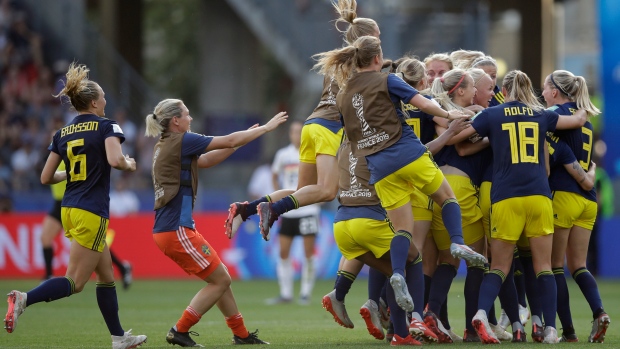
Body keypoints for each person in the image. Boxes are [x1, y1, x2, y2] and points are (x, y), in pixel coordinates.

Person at [4, 62, 147, 349]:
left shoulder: (62, 133)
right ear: (94, 102)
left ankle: (119, 337)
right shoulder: (107, 126)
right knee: (76, 282)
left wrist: (71, 173)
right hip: (91, 210)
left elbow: (46, 177)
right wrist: (129, 163)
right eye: (103, 97)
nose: (106, 101)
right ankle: (24, 298)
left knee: (106, 274)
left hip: (68, 208)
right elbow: (115, 160)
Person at [145, 98, 287, 347]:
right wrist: (263, 130)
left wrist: (240, 141)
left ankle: (241, 335)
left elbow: (207, 161)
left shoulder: (166, 144)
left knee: (219, 279)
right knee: (221, 280)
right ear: (175, 121)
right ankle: (180, 329)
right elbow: (229, 139)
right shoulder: (182, 140)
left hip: (169, 229)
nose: (190, 119)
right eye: (187, 115)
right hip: (176, 229)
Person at [460, 70, 587, 344]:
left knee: (500, 265)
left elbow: (463, 136)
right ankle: (550, 329)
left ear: (503, 92)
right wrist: (584, 104)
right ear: (530, 90)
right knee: (543, 267)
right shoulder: (542, 115)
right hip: (539, 196)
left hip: (505, 197)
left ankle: (481, 313)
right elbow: (576, 119)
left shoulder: (492, 115)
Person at [542, 69, 610, 343]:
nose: (542, 93)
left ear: (555, 91)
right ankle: (599, 311)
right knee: (579, 265)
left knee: (556, 266)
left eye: (545, 88)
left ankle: (568, 331)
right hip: (587, 200)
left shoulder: (556, 117)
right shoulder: (587, 123)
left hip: (564, 196)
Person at [265, 121, 321, 305]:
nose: (296, 135)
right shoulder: (283, 154)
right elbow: (274, 174)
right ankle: (286, 293)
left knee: (308, 253)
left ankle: (305, 293)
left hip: (308, 210)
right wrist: (278, 197)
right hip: (289, 210)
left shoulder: (313, 152)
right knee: (283, 252)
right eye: (293, 131)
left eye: (299, 132)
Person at [40, 162, 65, 280]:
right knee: (45, 238)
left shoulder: (71, 151)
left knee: (90, 243)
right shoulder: (55, 155)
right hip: (58, 204)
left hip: (72, 203)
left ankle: (122, 267)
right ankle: (48, 276)